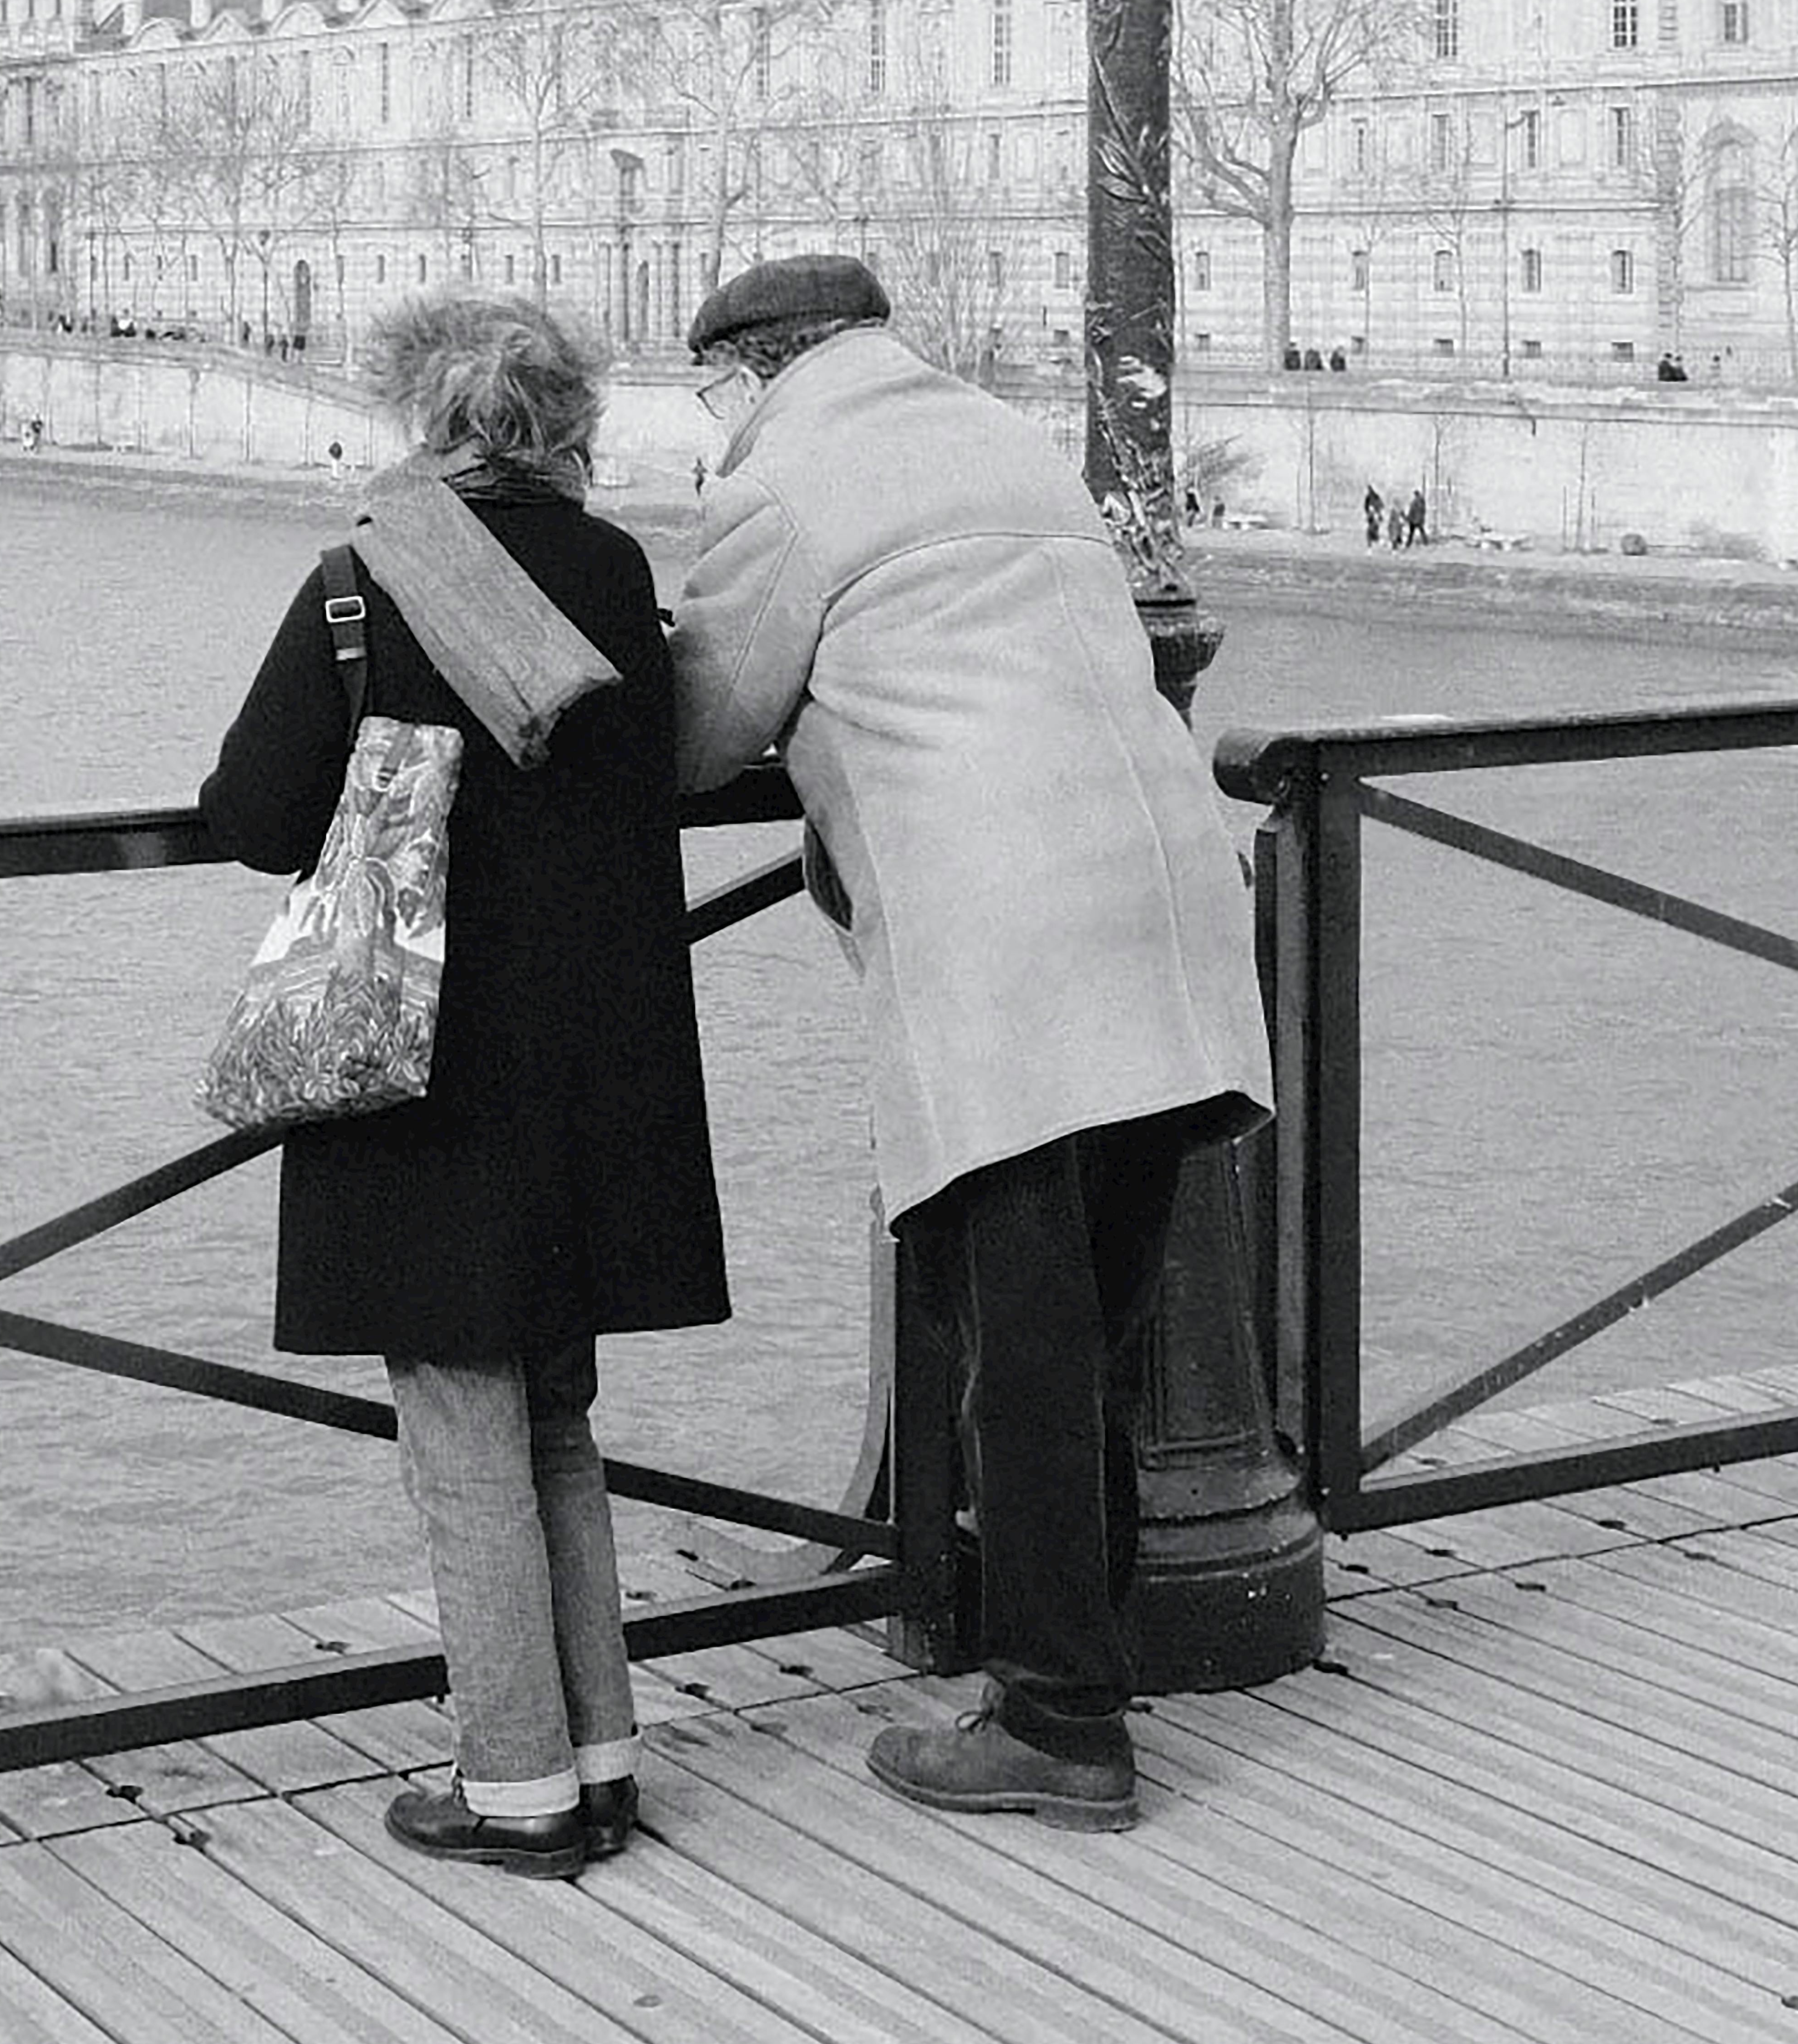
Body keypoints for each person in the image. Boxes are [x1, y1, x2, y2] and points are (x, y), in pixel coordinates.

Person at [667, 255, 1272, 1833]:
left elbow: (702, 726)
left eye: (711, 395)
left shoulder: (781, 482)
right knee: (1105, 1322)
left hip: (1008, 936)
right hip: (1168, 900)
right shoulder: (1008, 441)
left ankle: (1059, 1724)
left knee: (1022, 1336)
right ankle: (1081, 1665)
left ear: (742, 373)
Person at [201, 290, 728, 1877]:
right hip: (595, 1060)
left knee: (457, 1429)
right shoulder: (618, 571)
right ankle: (600, 1753)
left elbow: (250, 808)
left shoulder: (365, 575)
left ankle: (513, 1790)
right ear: (572, 423)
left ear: (419, 418)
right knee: (554, 1413)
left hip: (422, 1061)